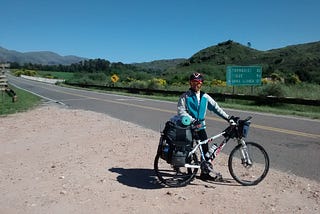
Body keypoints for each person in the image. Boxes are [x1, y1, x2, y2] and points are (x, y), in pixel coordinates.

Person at [177, 72, 232, 181]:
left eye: (198, 82)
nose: (195, 85)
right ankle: (189, 173)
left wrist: (228, 118)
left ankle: (204, 173)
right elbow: (181, 111)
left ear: (201, 84)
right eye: (193, 82)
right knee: (189, 149)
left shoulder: (205, 97)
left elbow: (216, 108)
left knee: (205, 151)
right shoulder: (185, 96)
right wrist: (192, 120)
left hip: (201, 127)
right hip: (189, 127)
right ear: (190, 83)